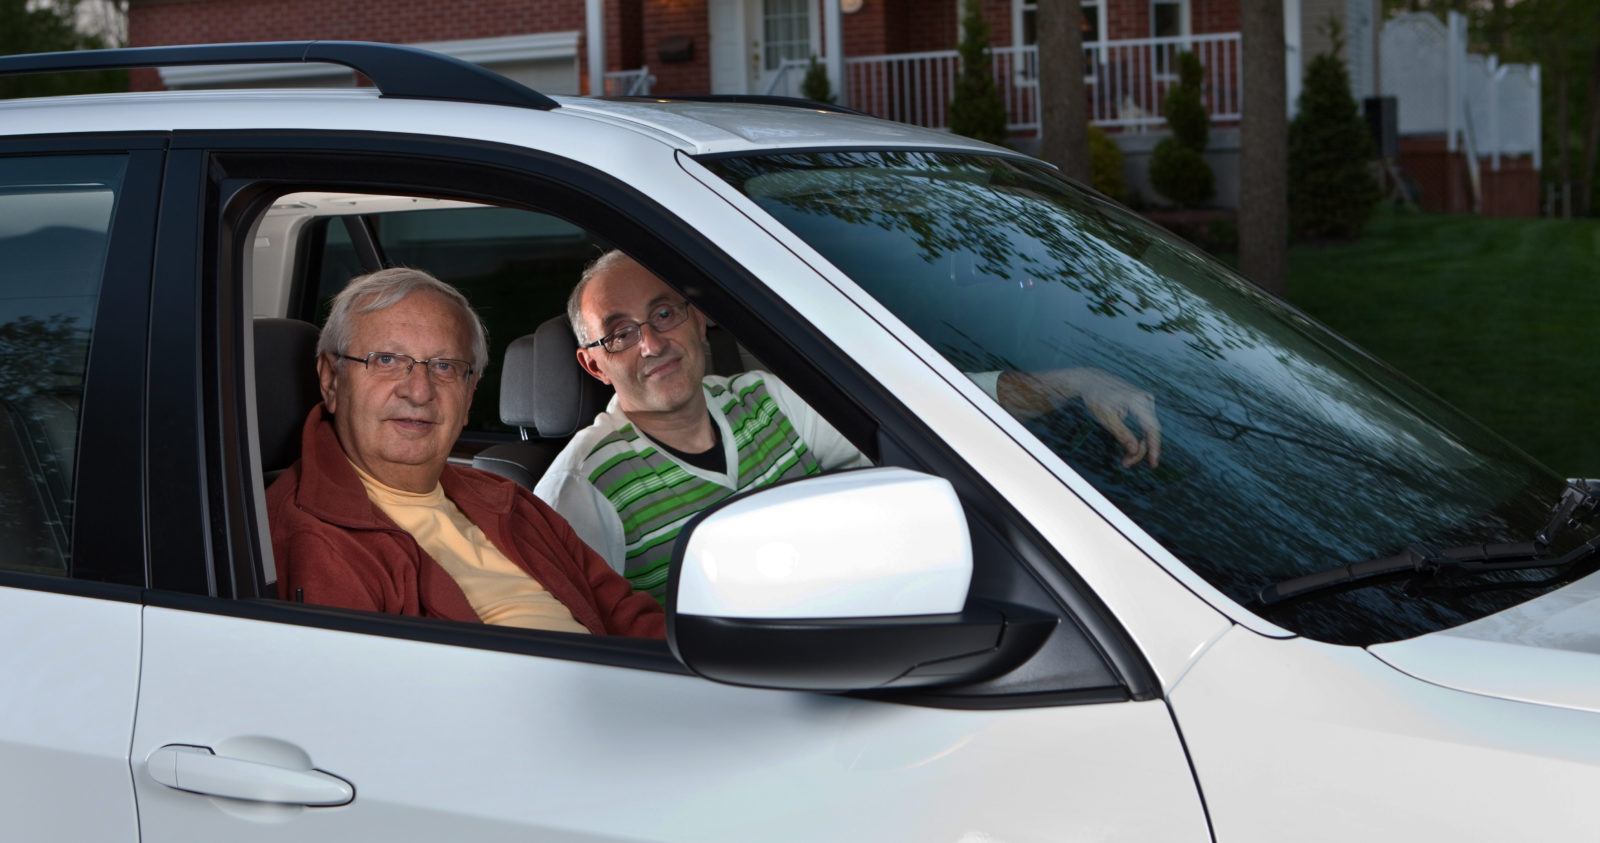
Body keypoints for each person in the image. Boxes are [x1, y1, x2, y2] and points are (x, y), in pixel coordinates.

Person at [535, 251, 1161, 599]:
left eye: (664, 312)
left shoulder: (766, 402)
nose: (651, 343)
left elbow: (929, 411)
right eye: (619, 333)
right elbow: (581, 644)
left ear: (699, 321)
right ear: (593, 363)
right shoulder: (582, 487)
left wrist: (1076, 384)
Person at [268, 267, 664, 638]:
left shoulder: (510, 502)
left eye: (444, 366)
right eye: (386, 360)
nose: (419, 391)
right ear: (331, 381)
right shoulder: (313, 538)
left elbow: (630, 619)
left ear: (470, 394)